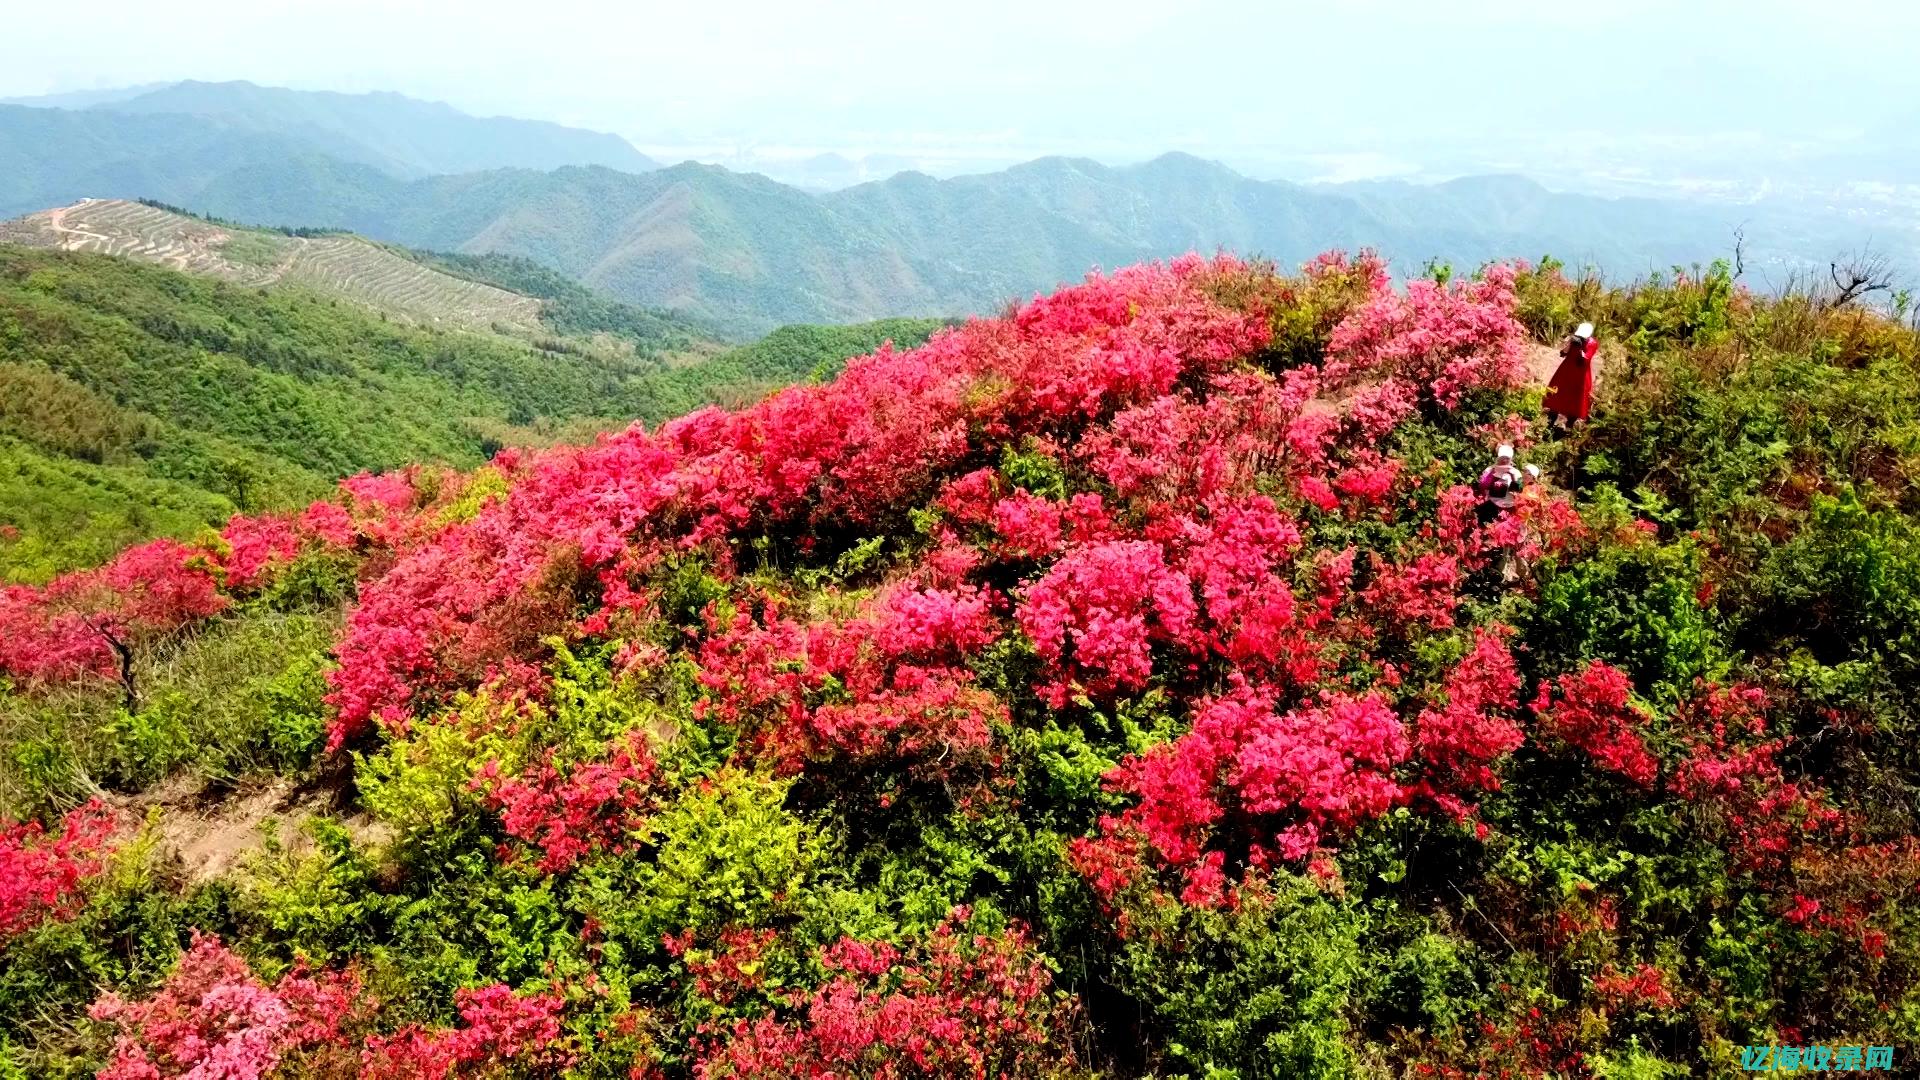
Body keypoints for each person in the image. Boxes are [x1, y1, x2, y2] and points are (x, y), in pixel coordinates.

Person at [1544, 321, 1598, 431]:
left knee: (1577, 396)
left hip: (1580, 374)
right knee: (1558, 390)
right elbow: (1563, 352)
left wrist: (1580, 348)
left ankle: (1570, 423)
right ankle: (1551, 418)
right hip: (1567, 369)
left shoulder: (1592, 343)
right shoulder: (1574, 340)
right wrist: (1569, 344)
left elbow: (1586, 359)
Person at [1474, 444, 1538, 526]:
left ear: (1511, 459)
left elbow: (1519, 491)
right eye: (1502, 457)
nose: (1504, 460)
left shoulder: (1516, 473)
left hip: (1509, 509)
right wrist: (1494, 477)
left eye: (1507, 458)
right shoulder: (1489, 470)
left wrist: (1512, 485)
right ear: (1498, 457)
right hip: (1491, 506)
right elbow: (1482, 486)